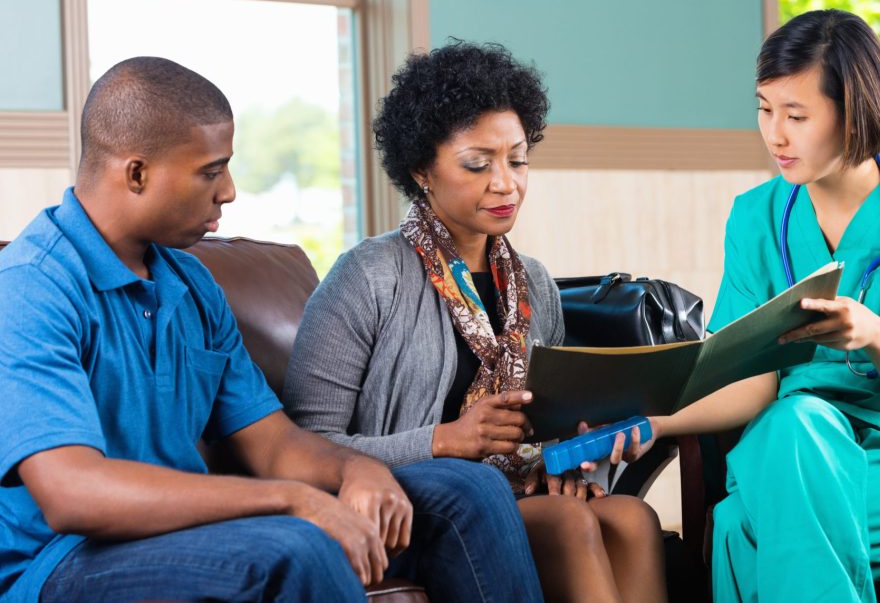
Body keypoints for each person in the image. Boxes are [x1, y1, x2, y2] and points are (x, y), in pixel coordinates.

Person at [0, 56, 543, 603]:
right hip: (64, 558)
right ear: (136, 173)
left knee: (467, 488)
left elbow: (275, 444)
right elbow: (72, 494)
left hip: (189, 532)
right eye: (211, 171)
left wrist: (358, 470)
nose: (229, 190)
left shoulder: (191, 283)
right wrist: (290, 500)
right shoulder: (31, 287)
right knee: (299, 547)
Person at [612, 10, 880, 602]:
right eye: (764, 109)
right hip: (798, 439)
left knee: (741, 527)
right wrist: (652, 424)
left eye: (796, 115)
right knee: (797, 422)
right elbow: (752, 381)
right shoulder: (756, 218)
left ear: (854, 114)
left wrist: (877, 335)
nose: (775, 135)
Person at [283, 41, 667, 603]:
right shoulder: (367, 276)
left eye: (517, 159)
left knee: (632, 518)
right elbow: (306, 446)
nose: (505, 183)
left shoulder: (533, 283)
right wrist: (448, 440)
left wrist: (572, 455)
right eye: (477, 164)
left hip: (513, 488)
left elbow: (546, 425)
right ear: (421, 170)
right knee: (570, 525)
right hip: (406, 503)